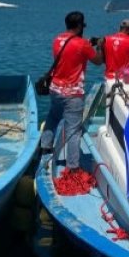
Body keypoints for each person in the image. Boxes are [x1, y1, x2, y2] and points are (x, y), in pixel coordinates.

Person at [40, 11, 103, 173]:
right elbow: (98, 61)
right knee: (73, 131)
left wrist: (87, 44)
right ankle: (73, 167)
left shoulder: (57, 40)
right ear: (80, 26)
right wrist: (100, 47)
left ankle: (45, 148)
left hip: (55, 89)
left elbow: (70, 51)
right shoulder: (83, 45)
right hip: (72, 94)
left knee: (53, 117)